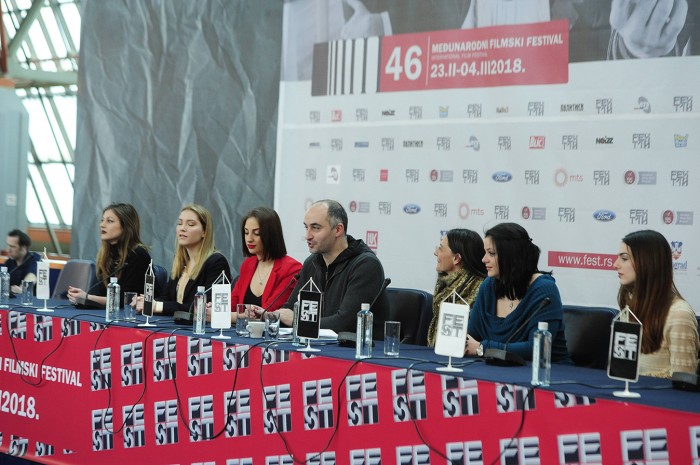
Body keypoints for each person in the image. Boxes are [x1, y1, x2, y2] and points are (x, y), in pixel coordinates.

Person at [276, 199, 389, 336]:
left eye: (315, 228)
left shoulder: (366, 265)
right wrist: (265, 316)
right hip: (319, 347)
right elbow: (290, 310)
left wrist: (296, 320)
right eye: (306, 227)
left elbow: (345, 323)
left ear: (338, 230)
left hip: (359, 352)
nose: (307, 235)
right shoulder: (312, 263)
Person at [465, 223, 571, 363]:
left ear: (511, 256)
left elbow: (537, 349)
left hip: (548, 374)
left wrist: (482, 348)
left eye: (491, 253)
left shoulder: (544, 290)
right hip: (498, 370)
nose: (484, 259)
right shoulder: (488, 286)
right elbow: (470, 336)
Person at [614, 230, 699, 378]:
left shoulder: (679, 315)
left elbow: (683, 387)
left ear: (647, 263)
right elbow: (621, 372)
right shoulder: (630, 305)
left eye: (625, 258)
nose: (616, 264)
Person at [138, 204, 231, 319]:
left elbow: (203, 308)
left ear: (204, 232)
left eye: (190, 224)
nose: (183, 228)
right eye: (180, 223)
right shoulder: (181, 261)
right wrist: (146, 301)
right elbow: (167, 298)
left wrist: (157, 306)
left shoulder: (216, 262)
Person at [225, 207, 301, 322]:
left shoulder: (291, 269)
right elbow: (230, 306)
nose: (249, 239)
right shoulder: (248, 264)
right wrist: (214, 310)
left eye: (257, 233)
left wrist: (228, 316)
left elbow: (266, 314)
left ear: (271, 235)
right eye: (246, 232)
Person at [67, 204, 151, 308]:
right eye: (102, 220)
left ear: (126, 226)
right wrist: (82, 298)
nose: (102, 225)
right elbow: (102, 294)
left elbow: (129, 299)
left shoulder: (138, 254)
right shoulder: (106, 255)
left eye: (110, 221)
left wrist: (89, 297)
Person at [427, 229, 487, 347]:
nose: (435, 252)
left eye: (440, 248)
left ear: (457, 258)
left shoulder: (482, 288)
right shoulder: (444, 283)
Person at [5, 229, 41, 296]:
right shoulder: (9, 262)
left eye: (12, 247)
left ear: (23, 247)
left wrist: (22, 289)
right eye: (8, 245)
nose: (8, 250)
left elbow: (31, 277)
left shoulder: (35, 259)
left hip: (31, 302)